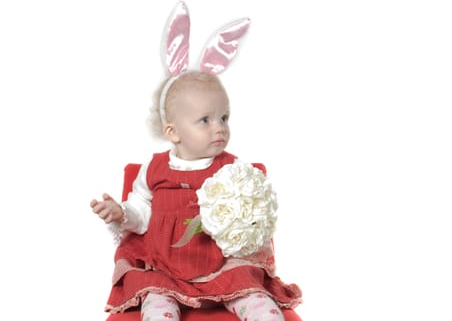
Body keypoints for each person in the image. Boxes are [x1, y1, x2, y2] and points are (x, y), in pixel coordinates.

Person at [90, 70, 302, 321]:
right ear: (173, 132)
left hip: (223, 267)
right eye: (205, 120)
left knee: (261, 305)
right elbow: (141, 217)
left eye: (224, 118)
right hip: (165, 270)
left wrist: (248, 219)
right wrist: (122, 213)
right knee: (157, 310)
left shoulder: (233, 169)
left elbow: (249, 216)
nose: (220, 128)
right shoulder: (154, 169)